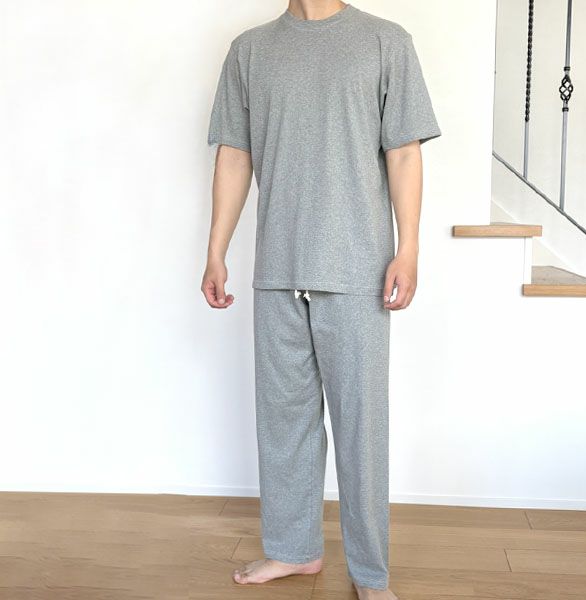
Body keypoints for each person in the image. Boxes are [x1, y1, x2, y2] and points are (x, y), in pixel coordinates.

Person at [203, 0, 441, 598]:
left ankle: (371, 574)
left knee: (362, 429)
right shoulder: (250, 51)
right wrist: (216, 250)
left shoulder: (385, 42)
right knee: (283, 422)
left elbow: (404, 150)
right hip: (277, 267)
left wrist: (409, 248)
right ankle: (294, 550)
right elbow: (235, 153)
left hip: (358, 270)